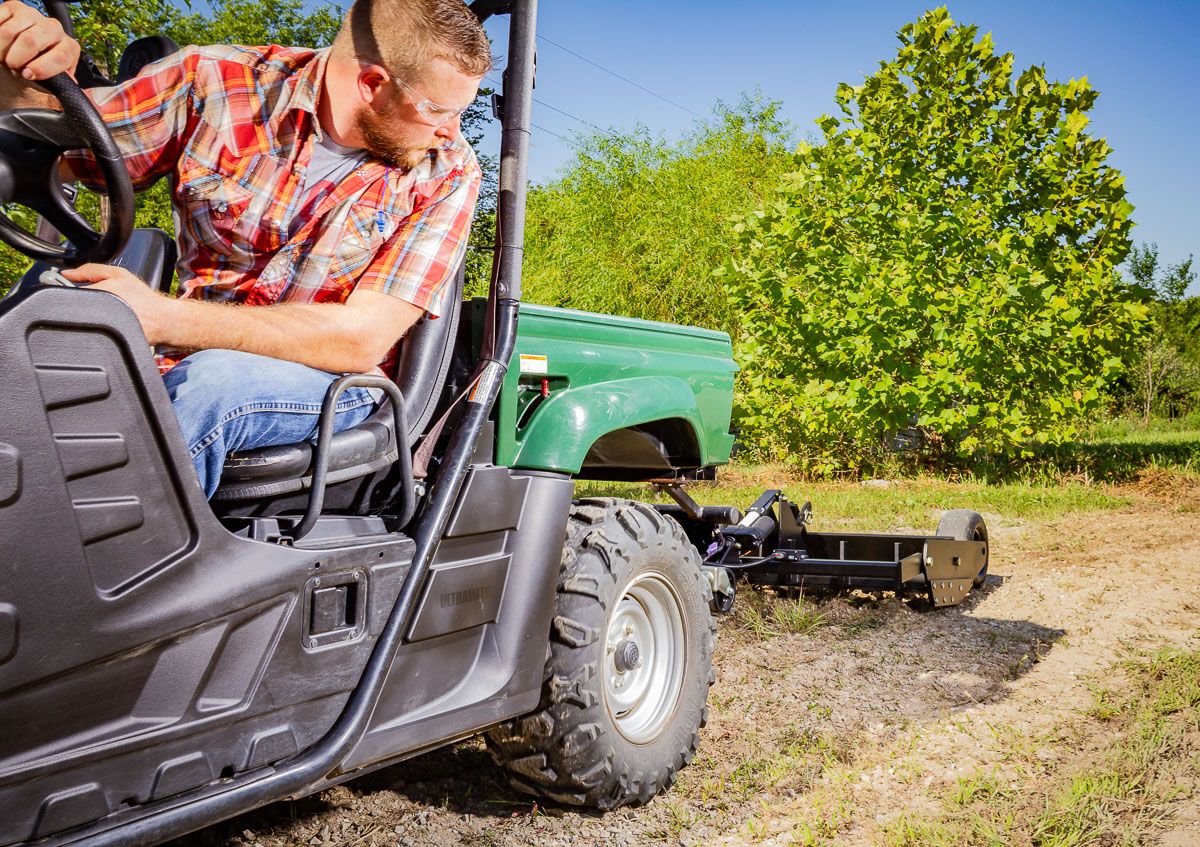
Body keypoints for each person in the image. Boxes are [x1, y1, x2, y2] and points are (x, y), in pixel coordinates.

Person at [0, 0, 490, 498]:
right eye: (439, 110)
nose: (451, 129)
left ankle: (96, 565)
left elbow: (358, 339)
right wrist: (18, 73)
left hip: (330, 385)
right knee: (27, 362)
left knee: (213, 386)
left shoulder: (446, 169)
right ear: (372, 84)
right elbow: (56, 147)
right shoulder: (213, 82)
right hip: (182, 359)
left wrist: (162, 318)